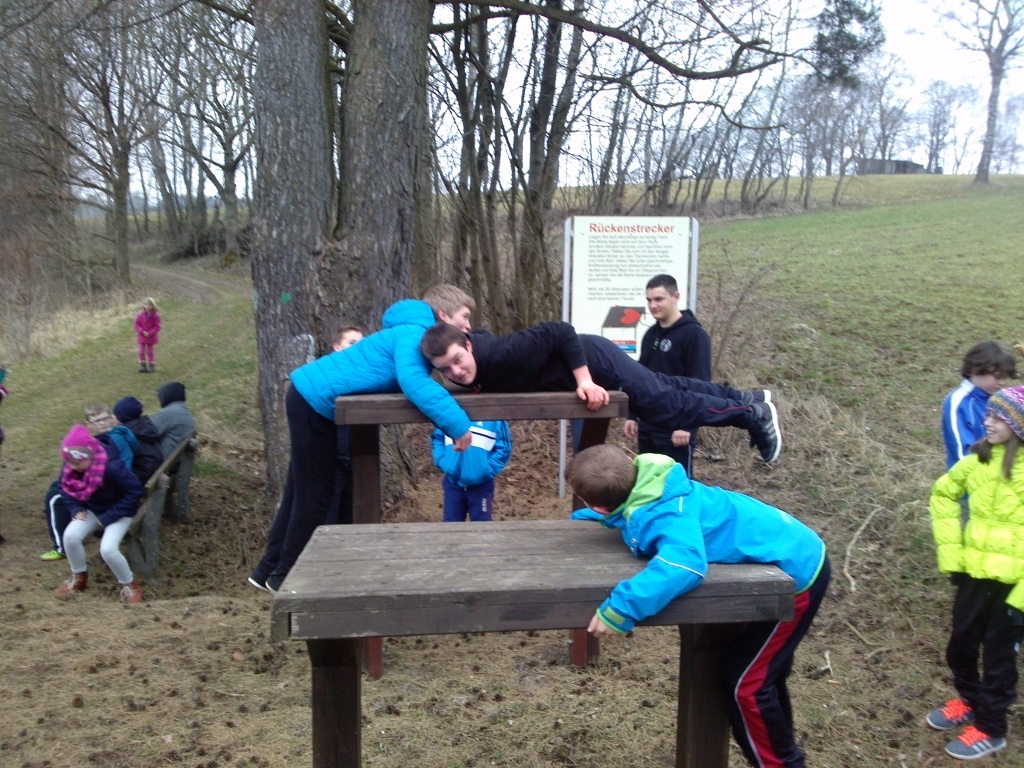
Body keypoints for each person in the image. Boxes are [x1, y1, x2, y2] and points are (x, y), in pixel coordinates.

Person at [565, 443, 828, 768]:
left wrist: (621, 606)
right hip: (794, 547)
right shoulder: (653, 483)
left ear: (600, 505)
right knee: (762, 676)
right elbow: (640, 510)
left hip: (799, 575)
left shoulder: (670, 514)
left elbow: (685, 564)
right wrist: (604, 518)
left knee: (747, 685)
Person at [249, 299, 475, 594]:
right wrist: (458, 424)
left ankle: (267, 570)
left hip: (307, 395)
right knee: (315, 494)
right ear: (443, 317)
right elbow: (414, 382)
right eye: (464, 318)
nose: (467, 326)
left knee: (299, 492)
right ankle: (284, 575)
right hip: (313, 401)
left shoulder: (407, 331)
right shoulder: (414, 335)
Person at [420, 320, 781, 463]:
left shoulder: (502, 352)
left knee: (666, 406)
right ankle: (745, 398)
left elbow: (562, 331)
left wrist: (584, 380)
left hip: (595, 361)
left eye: (458, 360)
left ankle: (752, 417)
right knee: (668, 386)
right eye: (445, 369)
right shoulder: (477, 362)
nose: (456, 372)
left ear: (468, 345)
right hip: (593, 360)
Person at [926, 386, 1024, 760]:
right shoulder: (976, 461)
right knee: (961, 644)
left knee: (999, 658)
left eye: (999, 417)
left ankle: (992, 728)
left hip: (1013, 586)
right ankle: (969, 699)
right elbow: (943, 495)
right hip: (974, 574)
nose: (988, 421)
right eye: (988, 414)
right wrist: (953, 555)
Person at [624, 274, 712, 476]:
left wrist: (687, 427)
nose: (652, 305)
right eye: (649, 300)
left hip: (676, 430)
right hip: (648, 427)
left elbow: (700, 384)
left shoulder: (694, 335)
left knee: (675, 487)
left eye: (658, 299)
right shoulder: (650, 335)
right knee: (648, 484)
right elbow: (641, 379)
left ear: (676, 297)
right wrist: (632, 415)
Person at [52, 423, 145, 603]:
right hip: (94, 508)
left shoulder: (111, 467)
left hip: (120, 511)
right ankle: (79, 576)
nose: (72, 467)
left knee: (108, 549)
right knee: (70, 536)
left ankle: (129, 584)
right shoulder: (71, 464)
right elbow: (65, 489)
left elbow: (134, 491)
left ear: (89, 455)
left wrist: (109, 517)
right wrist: (75, 508)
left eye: (77, 463)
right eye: (69, 462)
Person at [40, 403, 137, 562]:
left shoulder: (113, 441)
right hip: (101, 488)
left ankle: (60, 547)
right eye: (97, 421)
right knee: (58, 487)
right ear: (89, 424)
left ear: (111, 418)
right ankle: (70, 534)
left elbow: (120, 472)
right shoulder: (93, 442)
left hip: (111, 492)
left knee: (55, 496)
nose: (102, 424)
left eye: (104, 419)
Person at [941, 340, 1016, 470]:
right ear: (975, 369)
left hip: (1003, 475)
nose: (1002, 382)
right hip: (973, 477)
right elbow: (963, 454)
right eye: (997, 377)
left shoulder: (1002, 400)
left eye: (1005, 377)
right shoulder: (958, 403)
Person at [432, 419, 512, 522]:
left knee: (483, 527)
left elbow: (504, 448)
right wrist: (443, 461)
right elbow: (437, 438)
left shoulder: (494, 415)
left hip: (481, 486)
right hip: (453, 483)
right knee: (451, 527)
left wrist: (486, 470)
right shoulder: (448, 413)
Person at [326, 325, 363, 525]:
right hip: (331, 460)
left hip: (357, 459)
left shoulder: (364, 376)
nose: (357, 347)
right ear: (337, 347)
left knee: (352, 516)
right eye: (352, 342)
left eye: (361, 344)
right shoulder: (327, 374)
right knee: (329, 517)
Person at [112, 396, 164, 484]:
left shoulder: (126, 434)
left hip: (142, 476)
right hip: (152, 469)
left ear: (123, 417)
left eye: (116, 415)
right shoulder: (145, 425)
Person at [151, 381, 196, 461]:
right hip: (179, 460)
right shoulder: (184, 410)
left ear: (167, 395)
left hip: (165, 461)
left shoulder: (167, 413)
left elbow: (149, 435)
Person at [134, 297, 161, 374]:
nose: (147, 306)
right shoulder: (140, 315)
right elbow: (137, 325)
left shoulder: (155, 316)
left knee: (150, 351)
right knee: (141, 351)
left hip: (151, 337)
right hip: (142, 336)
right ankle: (143, 365)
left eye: (149, 305)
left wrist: (150, 333)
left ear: (152, 306)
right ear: (144, 305)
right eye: (146, 305)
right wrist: (142, 331)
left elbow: (157, 326)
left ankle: (151, 365)